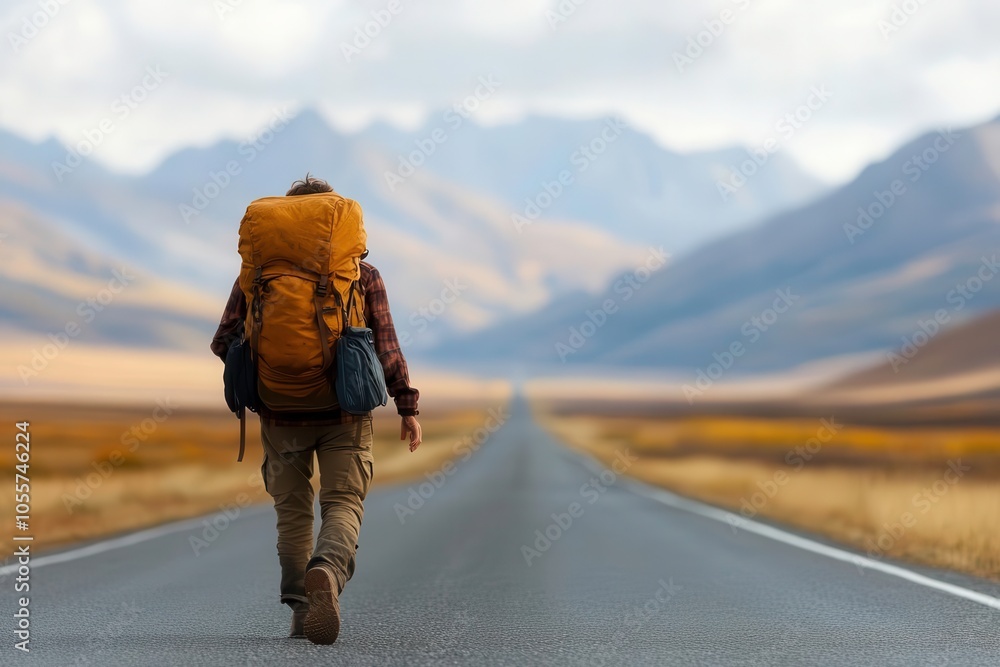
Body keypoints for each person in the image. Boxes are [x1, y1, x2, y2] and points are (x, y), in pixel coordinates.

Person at [211, 174, 422, 644]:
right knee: (343, 500)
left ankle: (301, 610)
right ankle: (326, 570)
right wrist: (406, 405)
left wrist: (263, 376)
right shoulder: (360, 275)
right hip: (345, 411)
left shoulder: (257, 277)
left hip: (278, 411)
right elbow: (386, 348)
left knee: (292, 510)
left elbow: (223, 340)